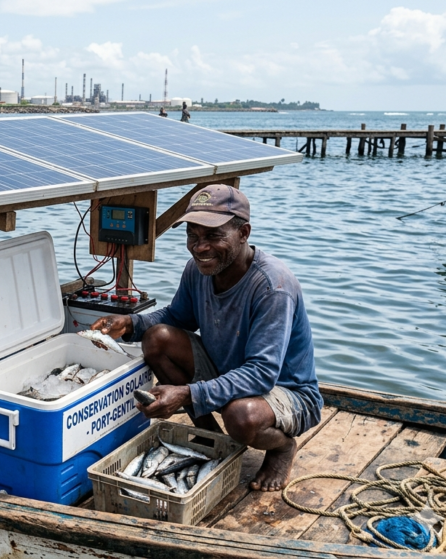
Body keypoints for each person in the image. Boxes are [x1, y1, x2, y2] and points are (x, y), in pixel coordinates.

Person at [88, 184, 321, 492]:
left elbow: (262, 374)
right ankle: (211, 438)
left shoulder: (272, 286)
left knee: (242, 416)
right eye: (193, 236)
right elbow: (176, 318)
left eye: (213, 236)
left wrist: (187, 393)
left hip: (288, 392)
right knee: (156, 338)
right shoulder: (198, 270)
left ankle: (281, 447)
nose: (200, 248)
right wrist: (131, 323)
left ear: (243, 233)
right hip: (230, 372)